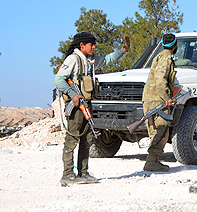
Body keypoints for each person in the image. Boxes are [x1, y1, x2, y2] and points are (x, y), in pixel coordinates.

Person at [55, 31, 130, 186]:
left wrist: (123, 50)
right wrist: (72, 94)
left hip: (87, 104)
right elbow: (59, 79)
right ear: (81, 45)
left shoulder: (90, 60)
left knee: (87, 139)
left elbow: (109, 59)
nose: (94, 47)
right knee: (72, 139)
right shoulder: (73, 59)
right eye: (91, 44)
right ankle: (67, 174)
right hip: (75, 106)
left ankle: (83, 172)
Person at [142, 33, 178, 172]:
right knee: (161, 130)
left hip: (152, 99)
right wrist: (166, 99)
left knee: (156, 130)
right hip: (156, 100)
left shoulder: (160, 56)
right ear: (175, 45)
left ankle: (154, 160)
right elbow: (160, 79)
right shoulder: (166, 58)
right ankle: (151, 162)